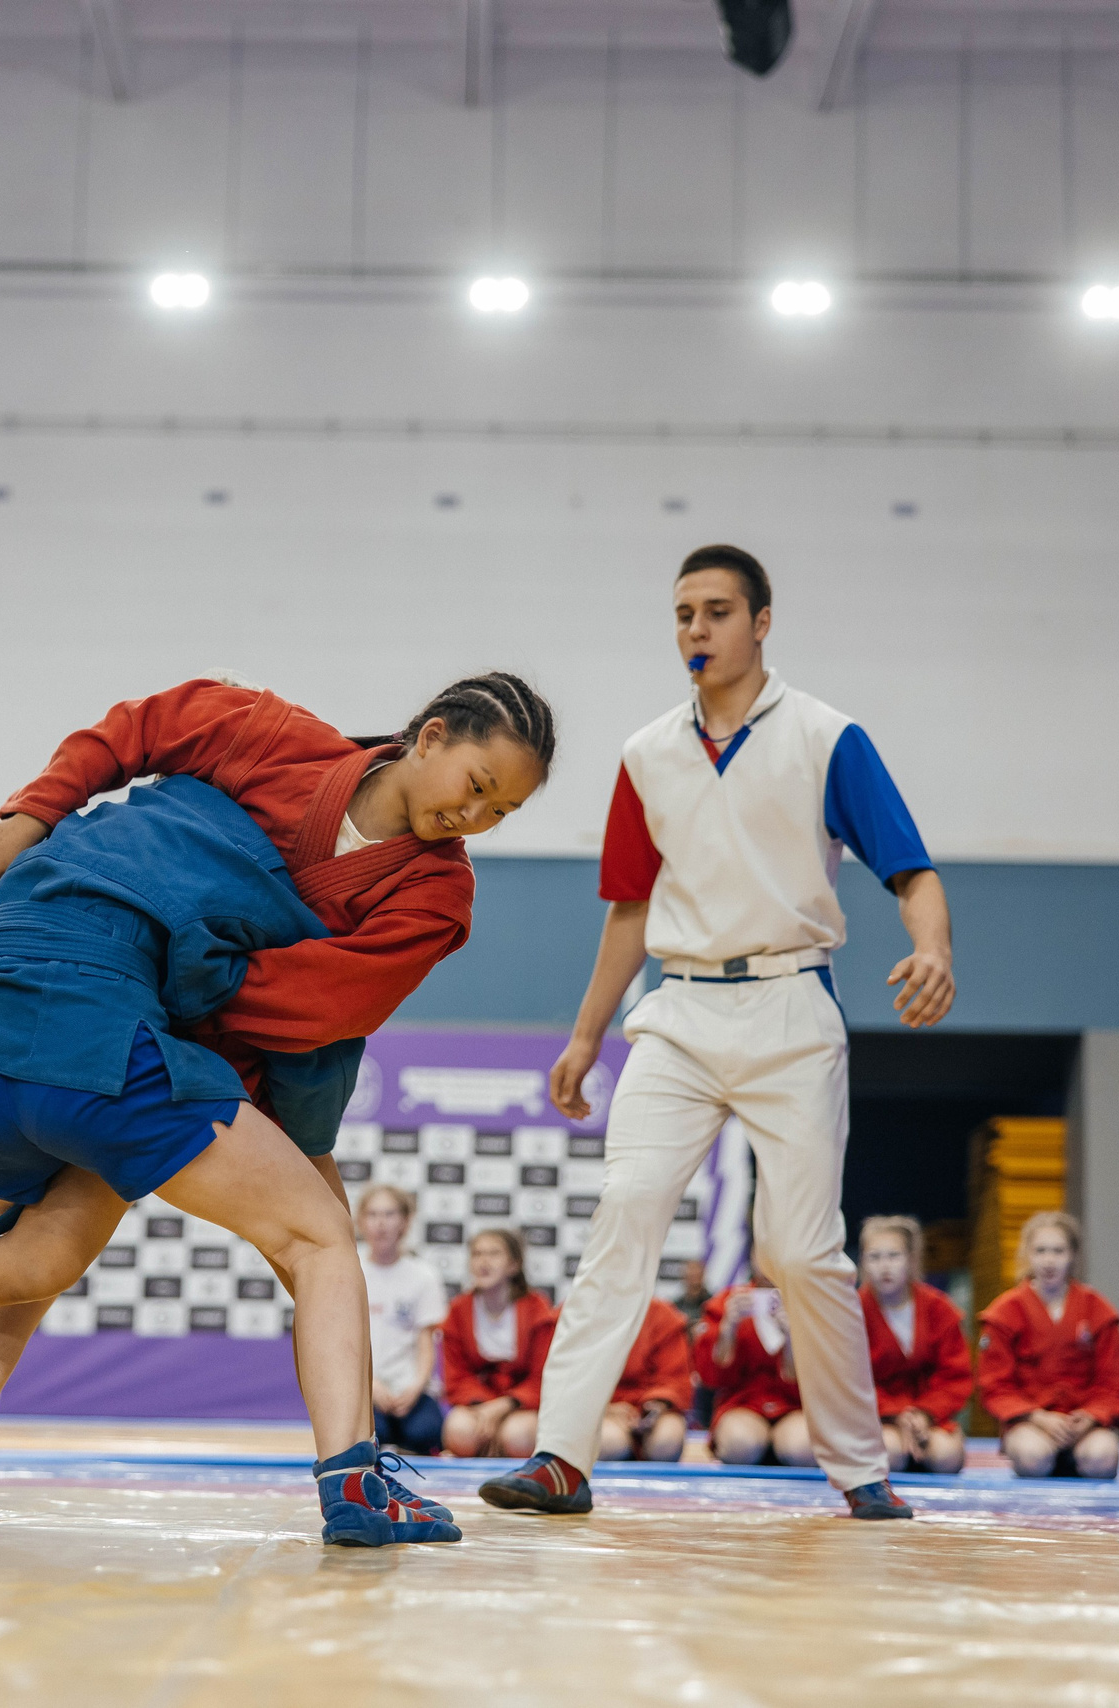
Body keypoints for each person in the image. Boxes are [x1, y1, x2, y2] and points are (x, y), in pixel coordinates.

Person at [0, 673, 555, 1546]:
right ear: (432, 736)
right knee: (320, 1235)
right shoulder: (275, 737)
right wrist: (35, 809)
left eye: (502, 814)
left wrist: (45, 827)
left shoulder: (418, 884)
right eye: (477, 786)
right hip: (111, 1018)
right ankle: (354, 1486)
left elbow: (327, 1007)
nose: (475, 819)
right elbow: (142, 728)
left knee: (34, 1253)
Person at [479, 543, 955, 1524]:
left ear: (762, 621)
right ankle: (561, 1457)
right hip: (679, 1011)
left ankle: (858, 1467)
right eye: (682, 614)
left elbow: (910, 868)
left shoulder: (827, 736)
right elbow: (624, 910)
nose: (694, 630)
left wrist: (933, 949)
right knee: (625, 1207)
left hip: (791, 1006)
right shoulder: (644, 752)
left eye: (715, 612)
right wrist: (583, 1041)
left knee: (802, 1249)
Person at [979, 1211, 1119, 1480]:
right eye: (1040, 1251)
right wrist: (1037, 1418)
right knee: (1032, 1456)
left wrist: (1091, 1416)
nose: (1049, 1261)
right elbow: (995, 1386)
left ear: (1072, 1255)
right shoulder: (1004, 1313)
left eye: (1058, 1251)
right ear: (1027, 1254)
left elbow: (1113, 1382)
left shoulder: (1098, 1310)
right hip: (1029, 1422)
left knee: (1103, 1457)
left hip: (1084, 1423)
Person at [858, 1215, 970, 1477]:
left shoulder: (940, 1309)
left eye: (894, 1256)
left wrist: (925, 1414)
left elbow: (955, 1376)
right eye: (875, 1257)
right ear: (862, 1262)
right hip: (875, 1416)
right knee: (889, 1454)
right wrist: (895, 1414)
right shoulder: (852, 1312)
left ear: (911, 1259)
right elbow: (848, 1380)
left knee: (947, 1457)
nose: (884, 1267)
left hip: (928, 1413)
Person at [441, 1228, 557, 1460]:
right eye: (477, 1254)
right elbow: (455, 1376)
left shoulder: (537, 1308)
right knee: (458, 1431)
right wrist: (485, 1408)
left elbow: (544, 1376)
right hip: (478, 1403)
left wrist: (504, 1406)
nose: (484, 1262)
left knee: (519, 1436)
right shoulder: (459, 1309)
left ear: (514, 1265)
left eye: (494, 1254)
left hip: (521, 1404)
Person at [359, 1184, 448, 1456]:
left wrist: (416, 1387)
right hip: (365, 1387)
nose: (381, 1223)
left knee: (425, 1432)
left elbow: (425, 1342)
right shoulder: (351, 1269)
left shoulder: (424, 1275)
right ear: (360, 1221)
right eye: (373, 1214)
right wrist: (372, 1387)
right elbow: (344, 1343)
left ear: (405, 1222)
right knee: (373, 1433)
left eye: (389, 1214)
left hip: (409, 1388)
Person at [695, 1272, 811, 1466]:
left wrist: (792, 1338)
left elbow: (819, 1380)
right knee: (739, 1444)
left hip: (795, 1405)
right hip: (741, 1404)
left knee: (803, 1449)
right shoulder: (728, 1301)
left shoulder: (810, 1301)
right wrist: (728, 1328)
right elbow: (710, 1378)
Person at [597, 1295, 695, 1462]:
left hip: (652, 1407)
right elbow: (566, 1382)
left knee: (667, 1441)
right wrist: (604, 1409)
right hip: (599, 1409)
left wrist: (657, 1405)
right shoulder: (579, 1313)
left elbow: (675, 1379)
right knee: (609, 1443)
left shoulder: (663, 1315)